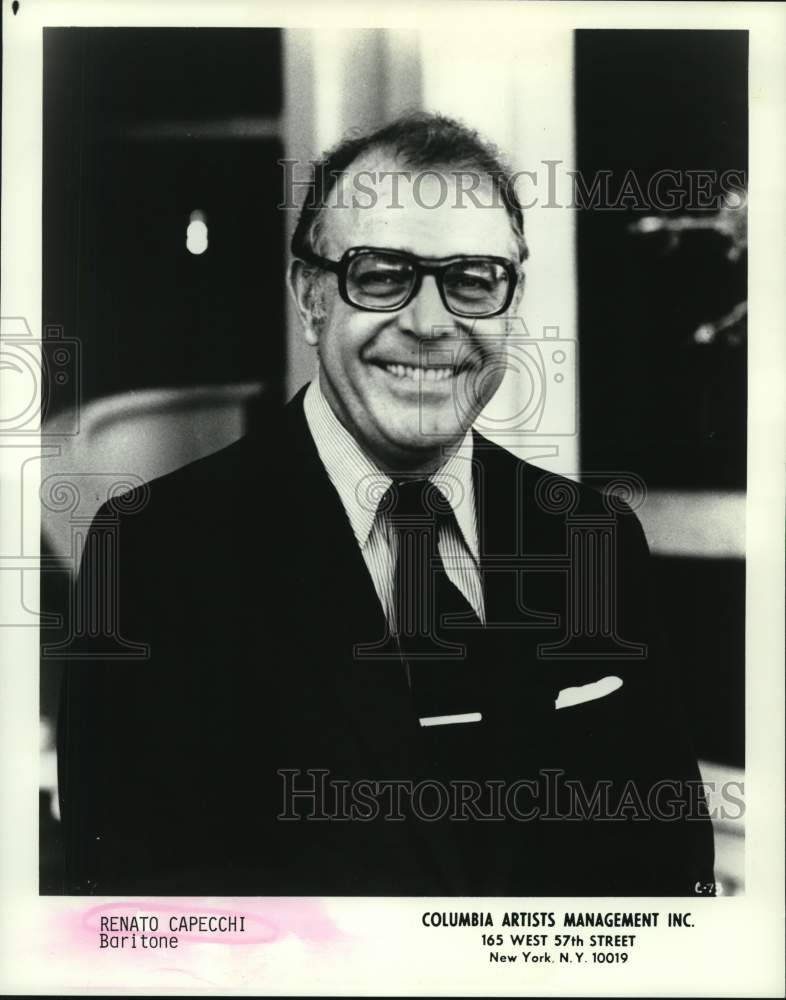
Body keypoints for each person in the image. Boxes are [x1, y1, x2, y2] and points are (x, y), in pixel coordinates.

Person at [58, 112, 714, 896]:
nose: (431, 323)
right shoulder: (153, 554)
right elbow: (137, 921)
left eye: (473, 279)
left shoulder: (593, 539)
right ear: (310, 297)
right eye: (381, 274)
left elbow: (671, 875)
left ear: (511, 300)